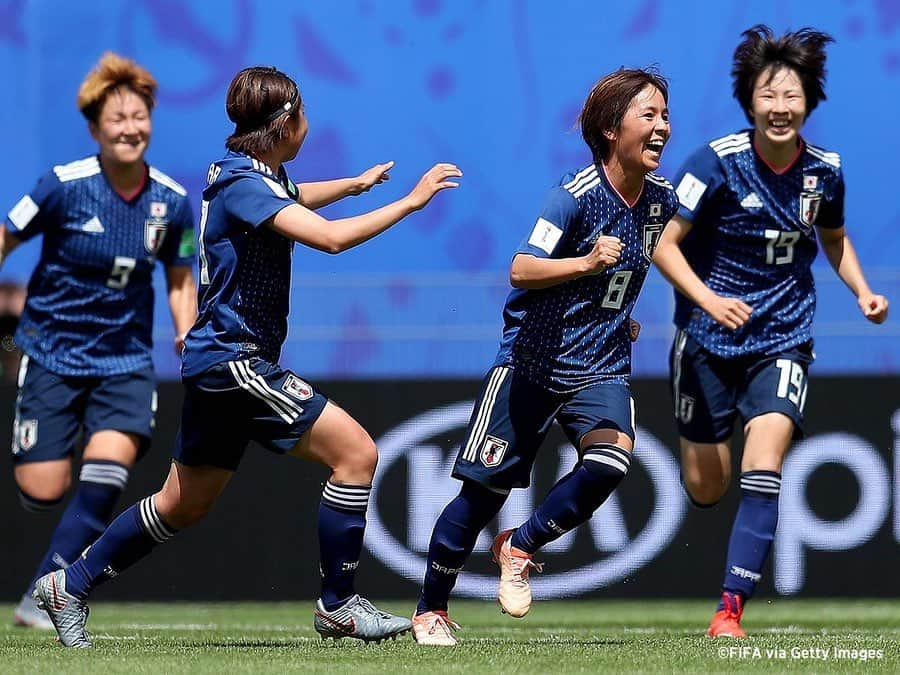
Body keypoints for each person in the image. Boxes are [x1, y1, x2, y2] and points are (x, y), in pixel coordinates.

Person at [32, 65, 462, 648]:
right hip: (236, 360)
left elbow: (291, 197)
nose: (309, 123)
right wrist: (410, 203)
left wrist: (354, 184)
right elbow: (328, 238)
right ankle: (337, 605)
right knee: (357, 454)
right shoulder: (246, 182)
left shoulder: (242, 172)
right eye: (303, 113)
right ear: (286, 123)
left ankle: (69, 586)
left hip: (217, 362)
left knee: (182, 505)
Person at [410, 68, 677, 647]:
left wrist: (615, 311)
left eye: (664, 115)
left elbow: (627, 272)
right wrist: (585, 263)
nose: (663, 127)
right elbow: (521, 269)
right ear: (610, 128)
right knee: (482, 494)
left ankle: (522, 545)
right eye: (649, 116)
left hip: (601, 364)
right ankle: (431, 609)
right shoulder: (572, 196)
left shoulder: (662, 201)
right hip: (530, 364)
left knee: (610, 463)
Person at [653, 25, 889, 639]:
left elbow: (833, 241)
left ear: (810, 100)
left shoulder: (826, 172)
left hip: (784, 336)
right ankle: (706, 460)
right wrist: (709, 299)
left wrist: (862, 291)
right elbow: (664, 244)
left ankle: (729, 611)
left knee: (766, 467)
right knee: (708, 487)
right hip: (705, 339)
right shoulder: (715, 162)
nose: (780, 108)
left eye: (792, 96)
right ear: (749, 102)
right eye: (768, 96)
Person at [4, 52, 198, 629]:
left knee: (107, 473)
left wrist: (186, 331)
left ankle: (49, 594)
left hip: (126, 359)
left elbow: (181, 278)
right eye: (117, 119)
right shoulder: (61, 187)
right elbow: (6, 237)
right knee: (42, 489)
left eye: (139, 117)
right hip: (50, 352)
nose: (130, 128)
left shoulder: (172, 202)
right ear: (94, 128)